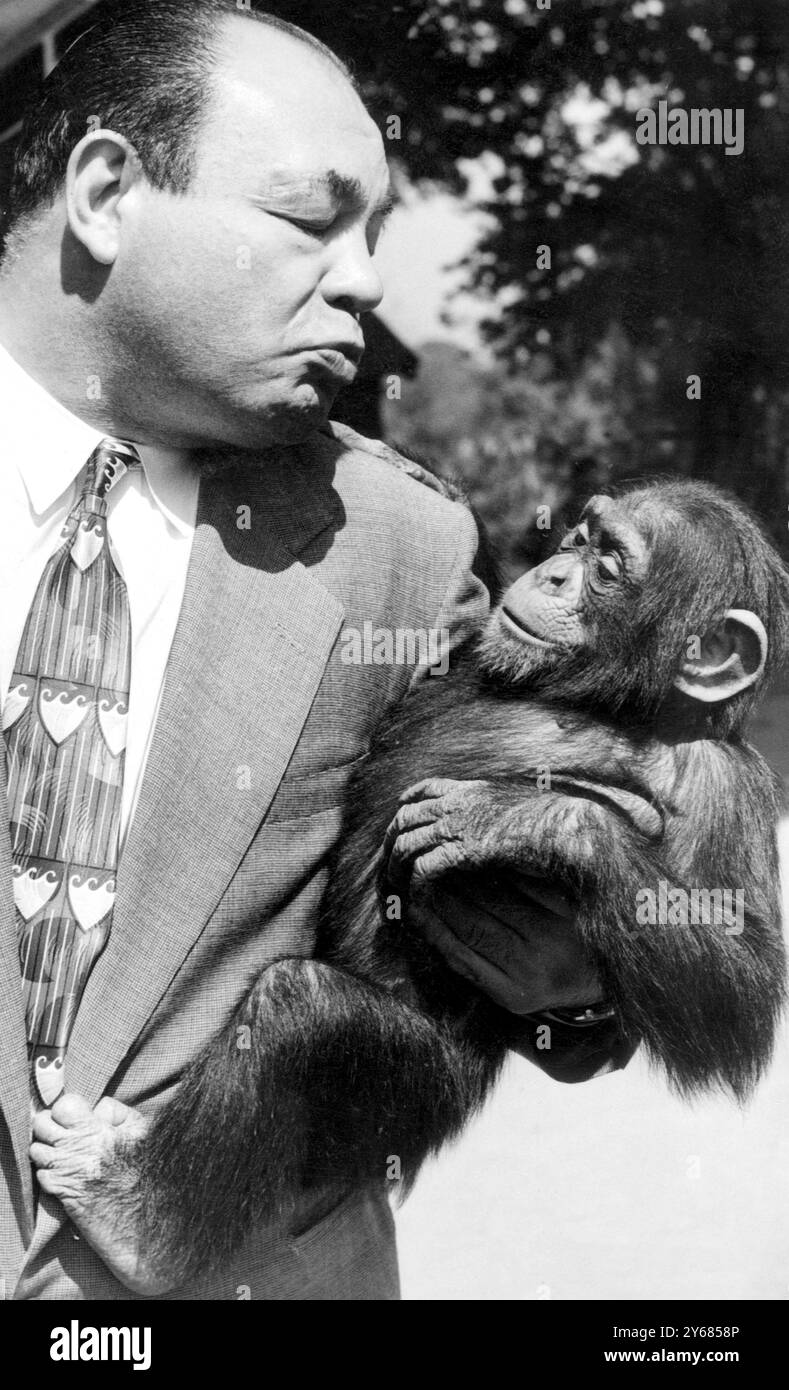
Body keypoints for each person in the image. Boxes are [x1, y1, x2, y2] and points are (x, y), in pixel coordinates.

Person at [0, 0, 627, 1302]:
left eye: (375, 232)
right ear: (109, 193)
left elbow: (550, 937)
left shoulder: (396, 541)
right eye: (307, 217)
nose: (364, 280)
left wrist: (578, 968)